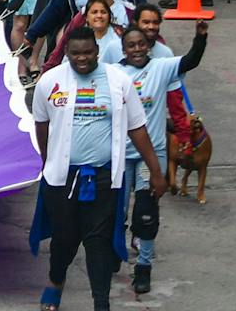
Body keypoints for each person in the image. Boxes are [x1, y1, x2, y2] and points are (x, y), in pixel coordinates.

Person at [28, 26, 166, 311]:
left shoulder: (118, 81)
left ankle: (101, 303)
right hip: (62, 179)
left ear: (97, 52)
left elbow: (137, 128)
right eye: (76, 53)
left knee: (98, 242)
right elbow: (41, 126)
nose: (82, 58)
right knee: (64, 240)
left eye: (88, 52)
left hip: (104, 179)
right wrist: (48, 161)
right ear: (66, 53)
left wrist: (155, 171)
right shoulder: (49, 82)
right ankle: (56, 281)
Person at [116, 21, 208, 294]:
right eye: (131, 45)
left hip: (150, 157)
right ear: (123, 49)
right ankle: (114, 252)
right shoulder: (114, 73)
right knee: (116, 212)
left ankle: (143, 267)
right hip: (120, 156)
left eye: (141, 44)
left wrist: (200, 38)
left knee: (146, 214)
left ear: (149, 46)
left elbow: (191, 60)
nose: (137, 49)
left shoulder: (161, 67)